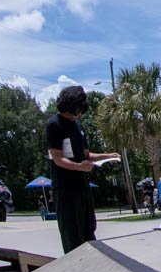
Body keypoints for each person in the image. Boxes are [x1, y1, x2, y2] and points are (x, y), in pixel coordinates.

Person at [46, 85, 120, 254]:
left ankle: (91, 260)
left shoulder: (78, 126)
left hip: (82, 185)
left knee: (89, 227)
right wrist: (79, 167)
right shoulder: (54, 124)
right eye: (79, 109)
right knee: (72, 232)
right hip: (65, 188)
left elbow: (86, 155)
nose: (79, 114)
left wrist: (107, 156)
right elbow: (57, 158)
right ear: (71, 106)